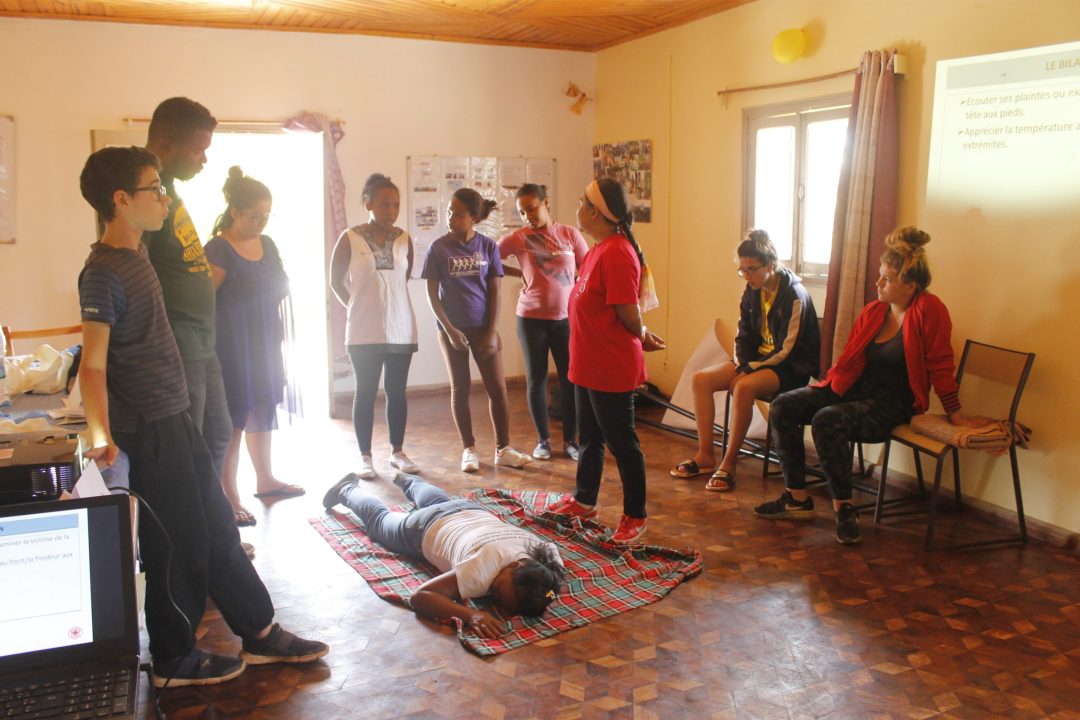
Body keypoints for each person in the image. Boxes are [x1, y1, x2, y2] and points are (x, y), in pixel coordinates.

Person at [77, 146, 328, 687]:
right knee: (176, 543)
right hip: (148, 427)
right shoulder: (101, 274)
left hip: (176, 414)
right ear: (121, 200)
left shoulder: (139, 255)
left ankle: (260, 633)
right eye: (153, 189)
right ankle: (173, 659)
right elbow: (92, 367)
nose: (164, 198)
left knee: (216, 524)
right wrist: (101, 435)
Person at [755, 227, 992, 544]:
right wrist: (829, 387)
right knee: (784, 405)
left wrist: (955, 411)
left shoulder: (929, 310)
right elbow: (849, 362)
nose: (877, 283)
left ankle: (844, 509)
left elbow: (940, 363)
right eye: (880, 276)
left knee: (828, 419)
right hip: (853, 391)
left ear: (910, 285)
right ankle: (796, 498)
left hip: (891, 404)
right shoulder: (874, 311)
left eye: (887, 279)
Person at [545, 179, 665, 544]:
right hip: (586, 363)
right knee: (590, 438)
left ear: (596, 211)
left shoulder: (617, 252)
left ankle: (635, 515)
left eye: (583, 201)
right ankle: (585, 501)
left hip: (610, 366)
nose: (577, 206)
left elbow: (628, 314)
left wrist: (642, 335)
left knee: (622, 443)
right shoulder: (599, 249)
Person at [322, 473, 564, 637]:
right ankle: (346, 488)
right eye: (499, 591)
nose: (494, 599)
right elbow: (420, 596)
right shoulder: (480, 572)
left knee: (437, 500)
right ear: (513, 567)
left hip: (468, 511)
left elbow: (549, 590)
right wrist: (471, 615)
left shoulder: (548, 557)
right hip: (422, 527)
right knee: (379, 522)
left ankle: (411, 481)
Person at [670, 230, 819, 491]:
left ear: (770, 266)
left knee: (744, 387)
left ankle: (729, 463)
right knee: (700, 380)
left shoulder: (795, 294)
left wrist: (748, 371)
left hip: (789, 368)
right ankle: (705, 454)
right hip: (756, 363)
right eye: (742, 270)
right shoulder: (752, 290)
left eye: (751, 269)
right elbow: (743, 336)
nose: (746, 276)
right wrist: (742, 365)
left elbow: (787, 349)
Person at [205, 168, 302, 526]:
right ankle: (229, 492)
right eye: (254, 216)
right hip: (233, 345)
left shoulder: (269, 244)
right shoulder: (218, 248)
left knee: (263, 407)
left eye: (266, 216)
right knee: (234, 420)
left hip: (265, 340)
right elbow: (204, 301)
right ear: (235, 212)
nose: (261, 222)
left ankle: (266, 478)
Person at [143, 98, 232, 489]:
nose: (203, 160)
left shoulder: (169, 190)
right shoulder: (143, 194)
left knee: (219, 434)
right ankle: (198, 539)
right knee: (192, 445)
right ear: (165, 144)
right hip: (178, 342)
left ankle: (211, 530)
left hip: (201, 340)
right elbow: (139, 270)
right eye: (198, 150)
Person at [422, 188, 532, 472]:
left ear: (472, 217)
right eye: (449, 212)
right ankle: (468, 449)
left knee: (498, 389)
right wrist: (449, 329)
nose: (451, 218)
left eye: (458, 214)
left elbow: (494, 291)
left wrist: (491, 331)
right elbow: (432, 295)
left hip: (484, 327)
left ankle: (503, 448)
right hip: (452, 329)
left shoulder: (488, 247)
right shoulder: (438, 248)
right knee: (460, 389)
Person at [329, 173, 418, 479]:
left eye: (395, 205)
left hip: (401, 328)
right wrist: (355, 306)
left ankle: (397, 452)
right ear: (367, 202)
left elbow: (401, 279)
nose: (390, 211)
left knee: (397, 391)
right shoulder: (350, 238)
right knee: (364, 393)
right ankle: (365, 456)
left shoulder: (404, 239)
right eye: (383, 204)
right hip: (363, 331)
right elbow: (335, 281)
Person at [498, 184, 589, 461]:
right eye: (522, 212)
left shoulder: (569, 234)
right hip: (531, 320)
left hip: (565, 320)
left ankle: (571, 441)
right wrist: (518, 273)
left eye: (532, 209)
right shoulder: (519, 237)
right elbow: (490, 260)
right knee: (536, 381)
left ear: (546, 203)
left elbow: (587, 268)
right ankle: (544, 441)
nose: (528, 217)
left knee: (570, 380)